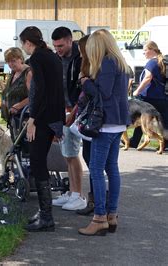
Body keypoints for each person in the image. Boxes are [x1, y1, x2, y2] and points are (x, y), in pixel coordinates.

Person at [78, 29, 131, 236]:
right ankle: (112, 215)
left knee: (96, 168)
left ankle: (99, 217)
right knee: (112, 168)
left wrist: (86, 82)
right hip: (117, 122)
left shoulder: (108, 63)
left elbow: (103, 93)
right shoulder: (121, 63)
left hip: (106, 123)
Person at [20, 26, 65, 232]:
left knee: (38, 163)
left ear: (29, 43)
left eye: (23, 44)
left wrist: (32, 118)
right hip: (54, 116)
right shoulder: (52, 57)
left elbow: (40, 91)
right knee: (39, 161)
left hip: (43, 118)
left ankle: (47, 217)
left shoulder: (37, 59)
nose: (24, 48)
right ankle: (43, 211)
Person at [50, 27, 86, 211]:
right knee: (67, 154)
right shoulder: (58, 58)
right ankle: (72, 192)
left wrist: (73, 112)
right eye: (55, 46)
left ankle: (78, 195)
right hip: (63, 108)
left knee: (73, 154)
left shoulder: (80, 57)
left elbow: (83, 89)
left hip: (75, 110)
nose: (58, 49)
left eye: (61, 45)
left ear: (70, 40)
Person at [74, 35, 97, 216]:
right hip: (88, 120)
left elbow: (95, 95)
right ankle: (95, 200)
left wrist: (84, 81)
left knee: (96, 164)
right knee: (89, 158)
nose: (80, 55)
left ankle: (97, 203)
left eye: (82, 52)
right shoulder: (87, 66)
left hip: (94, 122)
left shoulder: (96, 69)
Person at [130, 41, 168, 149]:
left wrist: (137, 91)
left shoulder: (152, 62)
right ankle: (164, 143)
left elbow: (148, 78)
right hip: (162, 96)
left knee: (143, 117)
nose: (144, 53)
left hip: (149, 96)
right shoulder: (162, 62)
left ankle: (134, 141)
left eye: (145, 50)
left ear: (152, 50)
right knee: (164, 120)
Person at [0, 47, 32, 130]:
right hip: (12, 118)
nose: (10, 64)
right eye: (8, 62)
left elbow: (34, 96)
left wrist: (19, 105)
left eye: (13, 61)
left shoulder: (28, 73)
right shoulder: (14, 72)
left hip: (23, 117)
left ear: (21, 59)